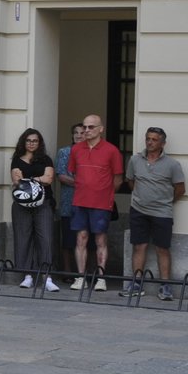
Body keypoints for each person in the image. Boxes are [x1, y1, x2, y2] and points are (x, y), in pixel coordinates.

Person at [123, 127, 185, 299]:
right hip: (138, 210)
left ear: (163, 143)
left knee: (162, 248)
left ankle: (166, 285)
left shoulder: (172, 164)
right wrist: (141, 198)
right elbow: (130, 181)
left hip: (162, 213)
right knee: (138, 246)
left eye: (154, 139)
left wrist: (164, 201)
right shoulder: (135, 160)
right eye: (148, 138)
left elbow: (180, 189)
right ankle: (136, 283)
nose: (150, 142)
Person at [68, 113, 123, 291]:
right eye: (84, 127)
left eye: (91, 127)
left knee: (100, 239)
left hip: (101, 203)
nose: (86, 130)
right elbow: (74, 174)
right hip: (80, 200)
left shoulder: (111, 150)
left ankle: (101, 278)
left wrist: (104, 193)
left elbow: (118, 179)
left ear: (101, 129)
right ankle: (80, 277)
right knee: (81, 239)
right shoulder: (76, 149)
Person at [9, 128, 60, 293]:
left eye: (35, 141)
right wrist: (37, 179)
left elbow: (49, 179)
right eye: (28, 140)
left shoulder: (45, 159)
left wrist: (30, 179)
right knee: (23, 238)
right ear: (23, 142)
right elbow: (17, 181)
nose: (31, 143)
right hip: (22, 205)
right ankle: (27, 276)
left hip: (43, 204)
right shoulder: (17, 160)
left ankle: (47, 278)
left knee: (45, 239)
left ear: (39, 143)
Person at [54, 122, 83, 284]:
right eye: (75, 132)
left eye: (81, 132)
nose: (79, 135)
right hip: (68, 201)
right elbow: (62, 176)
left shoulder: (90, 152)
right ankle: (67, 271)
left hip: (88, 202)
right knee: (68, 239)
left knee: (89, 239)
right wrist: (83, 183)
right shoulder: (65, 152)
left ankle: (88, 271)